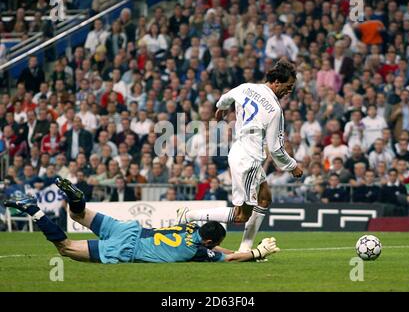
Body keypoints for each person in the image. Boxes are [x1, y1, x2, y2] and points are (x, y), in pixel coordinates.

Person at [177, 59, 303, 253]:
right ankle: (190, 215)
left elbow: (225, 98)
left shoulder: (246, 88)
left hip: (239, 151)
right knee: (241, 215)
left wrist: (220, 109)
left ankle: (245, 248)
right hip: (249, 160)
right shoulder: (275, 110)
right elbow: (276, 148)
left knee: (264, 198)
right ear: (277, 82)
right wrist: (292, 166)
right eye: (288, 86)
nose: (289, 91)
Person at [3, 179, 280, 264]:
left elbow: (222, 251)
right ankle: (35, 211)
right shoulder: (197, 252)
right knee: (65, 247)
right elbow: (225, 258)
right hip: (126, 250)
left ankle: (76, 197)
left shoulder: (191, 229)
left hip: (128, 228)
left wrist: (244, 253)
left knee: (77, 214)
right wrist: (255, 253)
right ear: (208, 242)